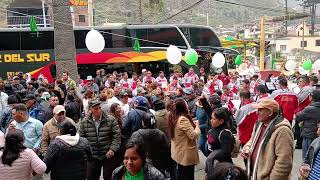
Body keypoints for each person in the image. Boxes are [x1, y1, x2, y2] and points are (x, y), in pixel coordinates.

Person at [241, 99, 294, 180]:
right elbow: (252, 140)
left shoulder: (282, 130)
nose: (256, 112)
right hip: (255, 174)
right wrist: (247, 148)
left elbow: (284, 162)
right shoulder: (259, 124)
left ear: (270, 112)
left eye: (260, 110)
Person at [79, 98, 121, 180]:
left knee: (108, 177)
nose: (98, 110)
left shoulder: (111, 120)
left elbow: (117, 136)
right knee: (91, 177)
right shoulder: (84, 122)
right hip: (92, 156)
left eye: (99, 108)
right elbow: (82, 139)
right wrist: (86, 153)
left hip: (108, 154)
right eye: (95, 109)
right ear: (90, 110)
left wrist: (112, 149)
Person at [130, 113, 171, 177]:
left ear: (143, 122)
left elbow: (131, 150)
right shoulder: (160, 134)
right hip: (158, 164)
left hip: (142, 164)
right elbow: (166, 150)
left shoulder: (135, 134)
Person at [168, 98, 200, 180]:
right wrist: (197, 127)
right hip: (185, 152)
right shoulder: (182, 119)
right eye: (186, 104)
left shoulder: (172, 116)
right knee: (187, 174)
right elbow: (193, 135)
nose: (187, 106)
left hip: (178, 151)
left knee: (181, 172)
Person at [296, 89, 320, 159]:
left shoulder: (310, 109)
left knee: (307, 157)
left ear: (312, 97)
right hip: (317, 134)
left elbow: (298, 117)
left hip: (309, 135)